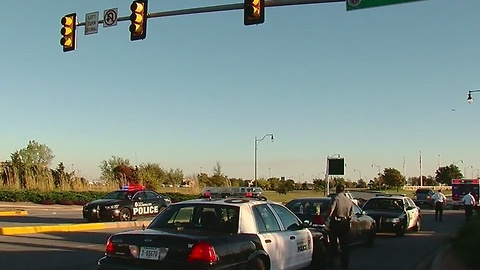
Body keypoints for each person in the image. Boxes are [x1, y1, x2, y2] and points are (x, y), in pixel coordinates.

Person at [328, 185, 354, 269]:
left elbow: (331, 210)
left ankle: (331, 262)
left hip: (336, 223)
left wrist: (327, 220)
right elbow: (351, 214)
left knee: (332, 243)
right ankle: (345, 262)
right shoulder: (349, 201)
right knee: (344, 244)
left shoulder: (336, 199)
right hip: (345, 222)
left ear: (337, 190)